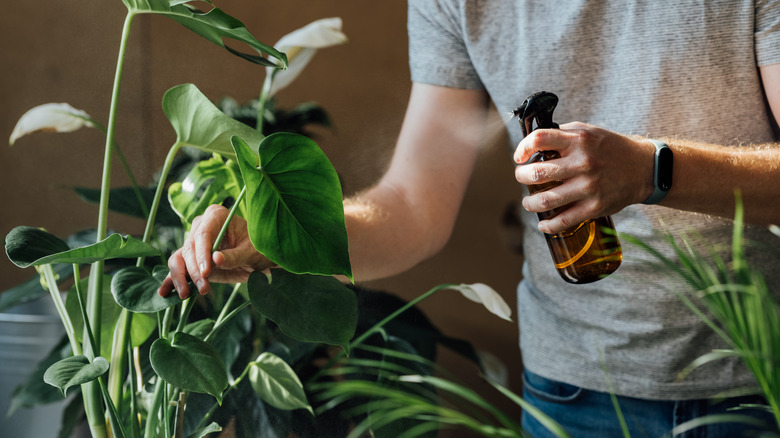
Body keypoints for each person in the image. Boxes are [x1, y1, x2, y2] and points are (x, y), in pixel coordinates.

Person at [159, 1, 780, 436]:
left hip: (758, 378)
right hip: (571, 392)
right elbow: (411, 208)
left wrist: (653, 170)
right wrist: (276, 234)